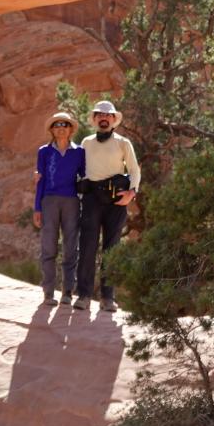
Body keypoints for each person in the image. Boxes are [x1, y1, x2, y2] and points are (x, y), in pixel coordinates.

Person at [74, 100, 140, 312]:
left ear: (114, 120)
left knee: (112, 249)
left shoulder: (123, 143)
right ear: (94, 119)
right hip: (92, 198)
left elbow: (134, 169)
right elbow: (78, 169)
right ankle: (83, 295)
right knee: (87, 247)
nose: (104, 118)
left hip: (115, 200)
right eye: (100, 115)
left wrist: (132, 193)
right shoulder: (86, 142)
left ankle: (108, 298)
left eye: (108, 115)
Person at [33, 111, 85, 306]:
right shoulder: (44, 152)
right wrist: (37, 207)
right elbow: (40, 180)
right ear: (52, 130)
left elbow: (85, 174)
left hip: (71, 201)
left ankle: (67, 292)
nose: (60, 128)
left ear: (71, 129)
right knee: (49, 246)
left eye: (64, 125)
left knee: (71, 246)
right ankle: (48, 292)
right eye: (57, 125)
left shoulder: (79, 152)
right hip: (49, 201)